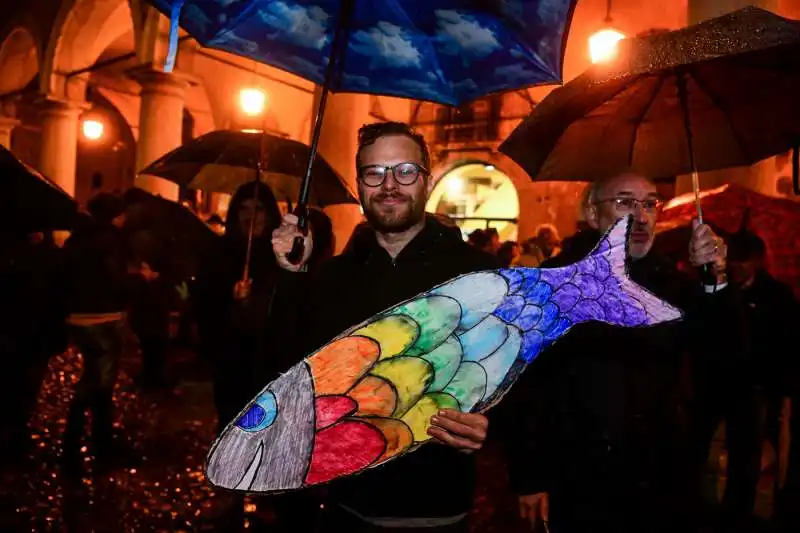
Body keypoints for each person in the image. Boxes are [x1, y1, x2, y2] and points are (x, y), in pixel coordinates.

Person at [271, 121, 498, 532]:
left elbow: (518, 380)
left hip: (440, 508)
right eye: (374, 173)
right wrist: (291, 276)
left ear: (427, 181)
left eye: (405, 171)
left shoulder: (479, 276)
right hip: (348, 507)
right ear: (360, 185)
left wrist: (491, 424)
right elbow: (287, 376)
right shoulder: (331, 279)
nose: (389, 184)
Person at [503, 173, 744, 533]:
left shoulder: (674, 285)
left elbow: (728, 355)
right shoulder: (554, 284)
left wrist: (716, 279)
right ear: (591, 212)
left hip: (659, 474)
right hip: (578, 477)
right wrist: (530, 477)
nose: (641, 216)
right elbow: (524, 390)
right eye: (625, 203)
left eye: (649, 203)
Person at [725, 231, 800, 532]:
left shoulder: (777, 296)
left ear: (757, 261)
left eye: (743, 261)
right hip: (721, 381)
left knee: (749, 455)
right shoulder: (722, 291)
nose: (737, 266)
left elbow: (788, 342)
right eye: (733, 260)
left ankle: (740, 515)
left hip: (757, 386)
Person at [60, 193, 137, 475]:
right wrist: (138, 281)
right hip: (104, 318)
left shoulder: (75, 239)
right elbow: (115, 281)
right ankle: (95, 443)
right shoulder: (111, 241)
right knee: (100, 385)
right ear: (116, 215)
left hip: (77, 318)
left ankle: (79, 440)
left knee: (92, 378)